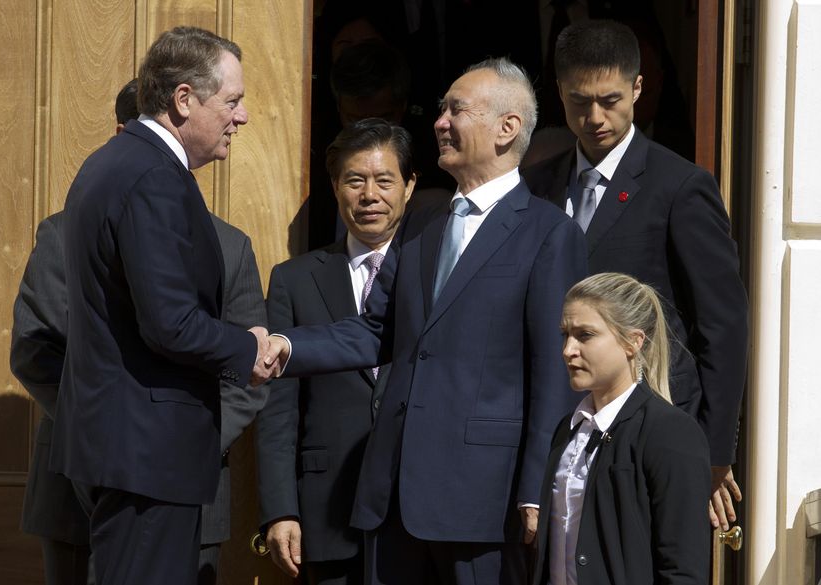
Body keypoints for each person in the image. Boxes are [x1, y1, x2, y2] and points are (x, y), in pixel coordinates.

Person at [258, 57, 587, 585]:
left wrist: (536, 487)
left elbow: (556, 370)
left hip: (483, 503)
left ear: (507, 128)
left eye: (456, 110)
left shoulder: (549, 233)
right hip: (393, 500)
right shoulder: (424, 225)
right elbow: (375, 330)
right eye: (441, 110)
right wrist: (286, 348)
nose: (439, 122)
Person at [48, 27, 267, 585]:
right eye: (233, 101)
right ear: (184, 100)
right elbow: (171, 324)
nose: (240, 118)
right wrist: (248, 347)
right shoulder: (153, 178)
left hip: (127, 449)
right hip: (146, 455)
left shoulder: (115, 162)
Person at [523, 19, 748, 531]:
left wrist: (714, 449)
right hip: (557, 425)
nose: (595, 117)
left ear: (638, 88)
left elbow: (723, 323)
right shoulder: (536, 186)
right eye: (580, 101)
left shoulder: (681, 185)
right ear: (559, 93)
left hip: (653, 419)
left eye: (610, 99)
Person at [255, 118, 415, 585]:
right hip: (325, 513)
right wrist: (281, 509)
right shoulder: (294, 279)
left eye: (385, 180)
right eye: (355, 180)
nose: (370, 195)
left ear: (409, 185)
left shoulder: (434, 274)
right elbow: (277, 411)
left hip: (413, 512)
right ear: (334, 187)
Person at [534, 272, 710, 585]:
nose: (568, 350)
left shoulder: (669, 432)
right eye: (565, 335)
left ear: (633, 342)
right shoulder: (568, 430)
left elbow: (683, 568)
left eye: (585, 335)